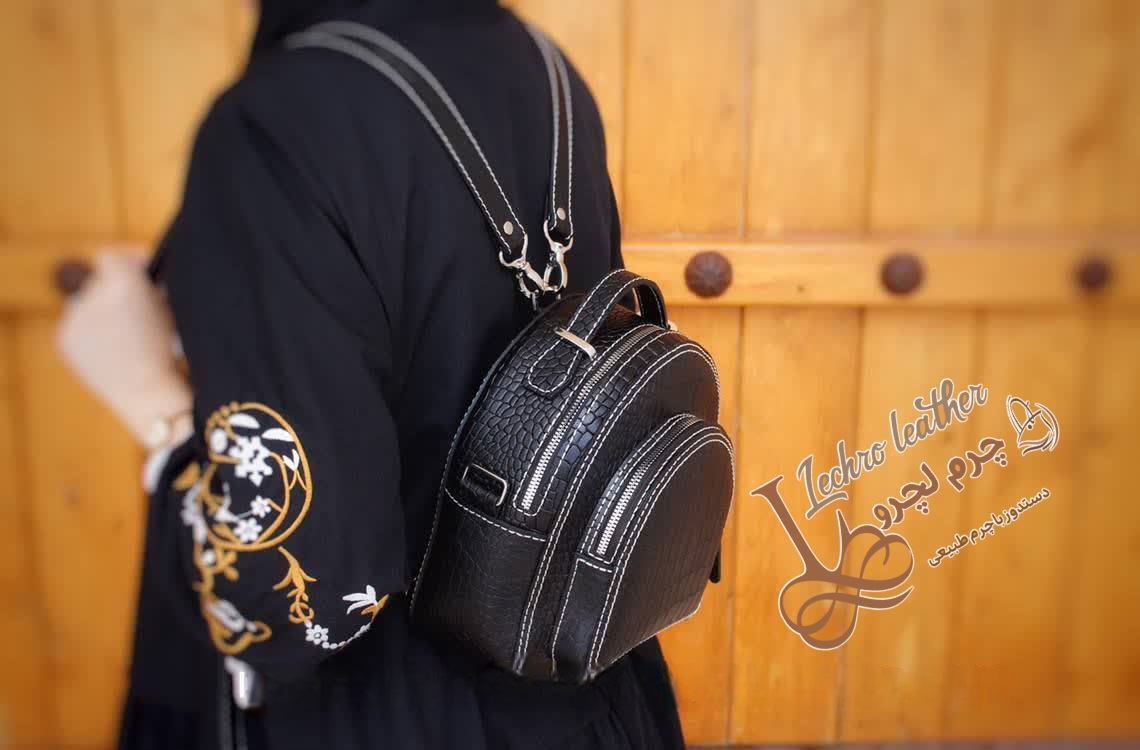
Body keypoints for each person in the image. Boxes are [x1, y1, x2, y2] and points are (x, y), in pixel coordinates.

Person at [56, 1, 686, 748]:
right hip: (588, 686)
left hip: (391, 714)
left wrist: (148, 398)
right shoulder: (539, 64)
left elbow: (300, 599)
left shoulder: (275, 124)